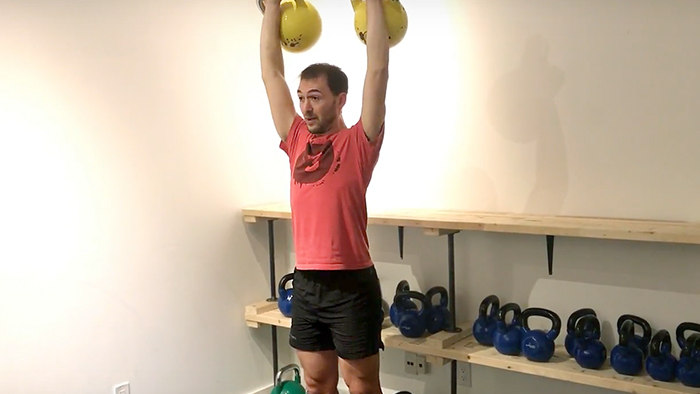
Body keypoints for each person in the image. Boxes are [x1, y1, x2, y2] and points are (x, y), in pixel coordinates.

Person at [259, 0, 390, 393]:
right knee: (316, 382)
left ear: (341, 98)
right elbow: (271, 74)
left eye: (315, 97)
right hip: (307, 282)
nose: (305, 106)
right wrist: (272, 9)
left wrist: (373, 3)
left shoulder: (358, 142)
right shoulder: (297, 137)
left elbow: (378, 71)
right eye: (301, 97)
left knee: (361, 383)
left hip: (351, 284)